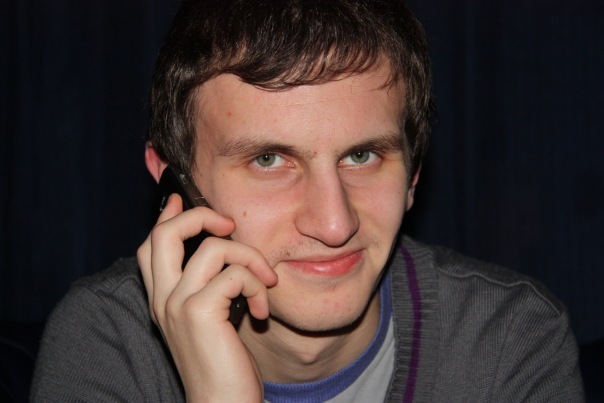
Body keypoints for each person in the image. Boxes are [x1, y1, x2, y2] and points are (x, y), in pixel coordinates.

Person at [31, 0, 584, 401]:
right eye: (269, 160)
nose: (334, 223)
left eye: (362, 156)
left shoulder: (510, 341)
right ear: (173, 185)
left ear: (414, 174)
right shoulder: (105, 346)